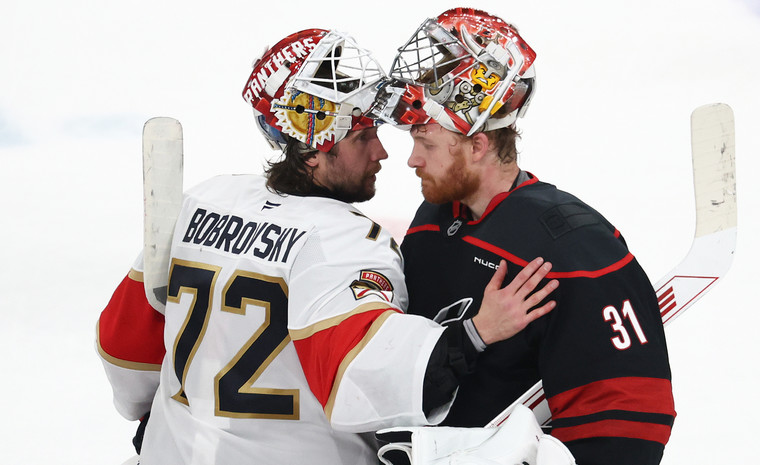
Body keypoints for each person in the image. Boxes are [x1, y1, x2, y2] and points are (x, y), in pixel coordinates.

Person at [96, 28, 558, 465]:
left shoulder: (204, 200)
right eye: (362, 137)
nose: (381, 152)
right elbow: (366, 382)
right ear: (314, 150)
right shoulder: (344, 241)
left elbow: (123, 350)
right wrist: (475, 332)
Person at [372, 8, 676, 465]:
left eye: (427, 144)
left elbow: (629, 421)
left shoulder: (574, 246)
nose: (412, 160)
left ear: (478, 145)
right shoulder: (434, 219)